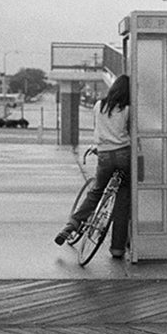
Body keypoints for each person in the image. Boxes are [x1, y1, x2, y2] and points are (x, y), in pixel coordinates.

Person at [54, 74, 131, 259]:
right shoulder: (128, 109)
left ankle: (72, 225)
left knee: (96, 192)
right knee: (122, 202)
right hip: (123, 155)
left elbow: (99, 130)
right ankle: (117, 248)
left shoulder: (99, 106)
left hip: (104, 155)